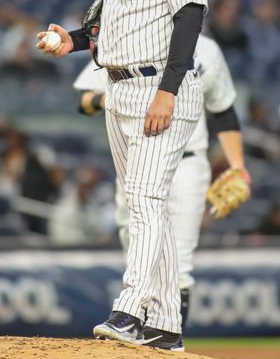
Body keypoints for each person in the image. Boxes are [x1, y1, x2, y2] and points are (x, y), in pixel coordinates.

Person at [37, 0, 207, 351]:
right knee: (144, 202)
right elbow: (105, 22)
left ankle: (130, 311)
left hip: (160, 84)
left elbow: (189, 19)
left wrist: (168, 91)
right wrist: (69, 39)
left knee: (146, 200)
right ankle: (167, 324)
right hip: (119, 85)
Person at [73, 34, 249, 327]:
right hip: (136, 161)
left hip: (188, 164)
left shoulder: (206, 49)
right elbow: (84, 102)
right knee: (137, 258)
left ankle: (165, 346)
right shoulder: (129, 36)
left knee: (179, 267)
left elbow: (224, 111)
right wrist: (110, 96)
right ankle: (139, 340)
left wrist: (238, 166)